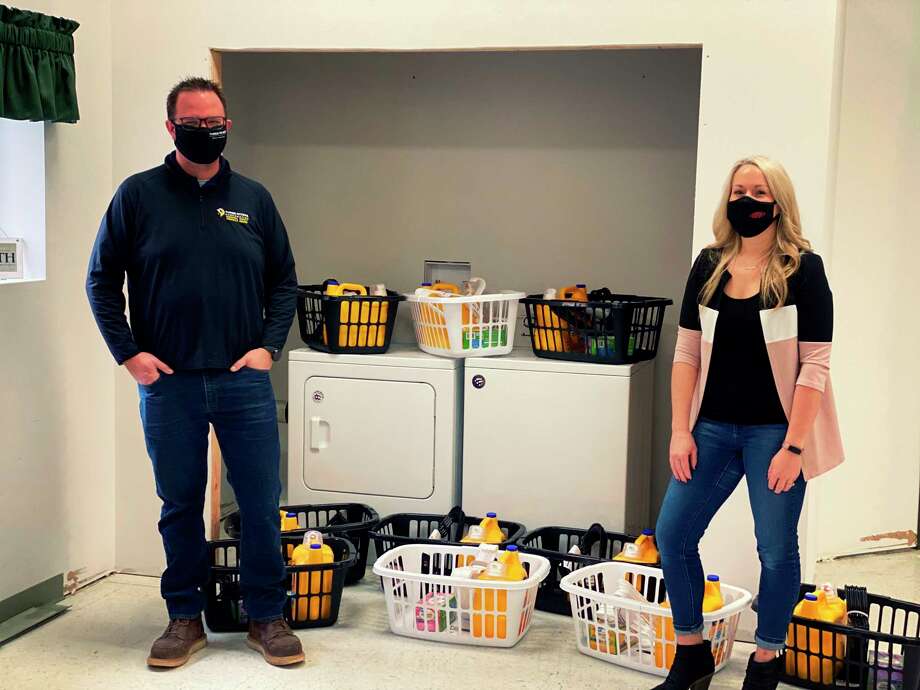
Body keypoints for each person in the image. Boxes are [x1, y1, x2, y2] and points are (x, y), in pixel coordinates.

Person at [86, 77, 302, 668]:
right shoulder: (138, 196)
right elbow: (101, 281)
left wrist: (269, 348)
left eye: (216, 125)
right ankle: (185, 617)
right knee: (180, 504)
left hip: (243, 381)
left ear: (227, 128)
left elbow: (284, 282)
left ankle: (266, 616)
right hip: (169, 384)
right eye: (193, 123)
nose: (205, 133)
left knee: (259, 502)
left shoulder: (254, 199)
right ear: (170, 127)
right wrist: (128, 354)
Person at [653, 156, 844, 690]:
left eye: (760, 192)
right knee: (673, 534)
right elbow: (686, 352)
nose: (749, 201)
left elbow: (815, 364)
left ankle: (766, 661)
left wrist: (795, 447)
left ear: (778, 203)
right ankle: (691, 654)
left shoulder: (803, 269)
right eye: (740, 191)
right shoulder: (709, 264)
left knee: (776, 549)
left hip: (775, 435)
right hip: (710, 428)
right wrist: (679, 429)